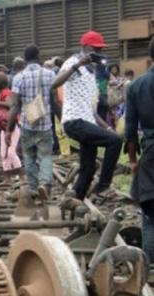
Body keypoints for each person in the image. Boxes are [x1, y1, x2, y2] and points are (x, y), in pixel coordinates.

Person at [52, 30, 122, 199]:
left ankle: (75, 199)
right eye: (94, 49)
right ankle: (103, 186)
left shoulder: (93, 73)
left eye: (100, 50)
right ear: (84, 47)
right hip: (74, 121)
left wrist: (106, 127)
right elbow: (55, 83)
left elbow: (90, 110)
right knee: (114, 142)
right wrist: (78, 65)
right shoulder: (73, 62)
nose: (98, 52)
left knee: (88, 168)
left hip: (86, 121)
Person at [7, 45, 58, 200]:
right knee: (46, 156)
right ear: (38, 55)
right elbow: (55, 102)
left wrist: (9, 130)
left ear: (25, 58)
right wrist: (63, 120)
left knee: (28, 156)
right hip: (45, 124)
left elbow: (15, 105)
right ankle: (44, 183)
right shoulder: (50, 75)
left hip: (27, 124)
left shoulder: (18, 77)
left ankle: (34, 188)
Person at [125, 37, 154, 262]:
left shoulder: (136, 86)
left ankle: (151, 269)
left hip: (151, 153)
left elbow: (130, 129)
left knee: (150, 216)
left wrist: (133, 160)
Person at [0, 72, 24, 186]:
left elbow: (9, 105)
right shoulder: (0, 94)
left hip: (12, 127)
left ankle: (22, 178)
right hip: (4, 128)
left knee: (12, 153)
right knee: (4, 154)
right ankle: (7, 180)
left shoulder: (6, 92)